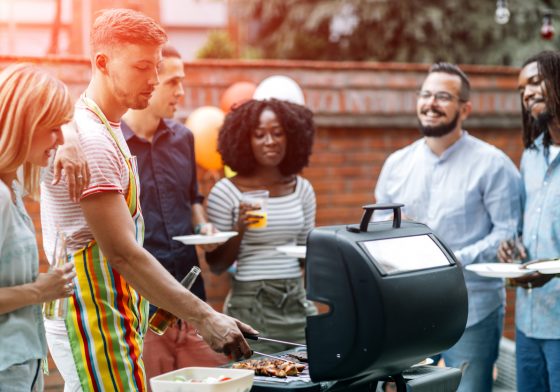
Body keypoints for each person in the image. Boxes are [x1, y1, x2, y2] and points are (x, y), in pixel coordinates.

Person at [40, 9, 255, 392]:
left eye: (157, 66)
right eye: (142, 66)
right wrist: (205, 317)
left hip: (110, 313)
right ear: (102, 63)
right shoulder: (91, 139)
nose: (154, 80)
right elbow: (123, 253)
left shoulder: (100, 126)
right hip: (90, 317)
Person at [374, 63, 522, 392]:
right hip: (409, 309)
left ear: (465, 108)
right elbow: (380, 233)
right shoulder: (396, 165)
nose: (431, 103)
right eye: (426, 94)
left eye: (443, 96)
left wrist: (446, 258)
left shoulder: (493, 164)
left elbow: (506, 233)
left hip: (474, 309)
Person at [121, 44, 228, 386]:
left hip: (194, 302)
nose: (181, 92)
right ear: (148, 79)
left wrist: (204, 226)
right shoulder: (114, 145)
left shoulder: (184, 138)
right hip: (144, 309)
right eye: (173, 82)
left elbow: (192, 198)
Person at [206, 98, 317, 353]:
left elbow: (304, 254)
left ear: (292, 138)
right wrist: (240, 227)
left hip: (296, 300)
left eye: (278, 133)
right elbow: (217, 265)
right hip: (251, 303)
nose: (270, 141)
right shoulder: (226, 192)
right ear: (245, 141)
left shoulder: (302, 189)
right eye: (259, 135)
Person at [0, 63, 77, 391]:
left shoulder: (13, 187)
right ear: (26, 125)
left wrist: (70, 142)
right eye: (54, 128)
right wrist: (40, 290)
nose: (60, 138)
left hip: (22, 364)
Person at [497, 51, 560, 392]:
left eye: (536, 81)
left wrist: (551, 269)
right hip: (529, 322)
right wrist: (512, 251)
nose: (527, 93)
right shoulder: (530, 156)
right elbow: (525, 229)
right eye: (522, 88)